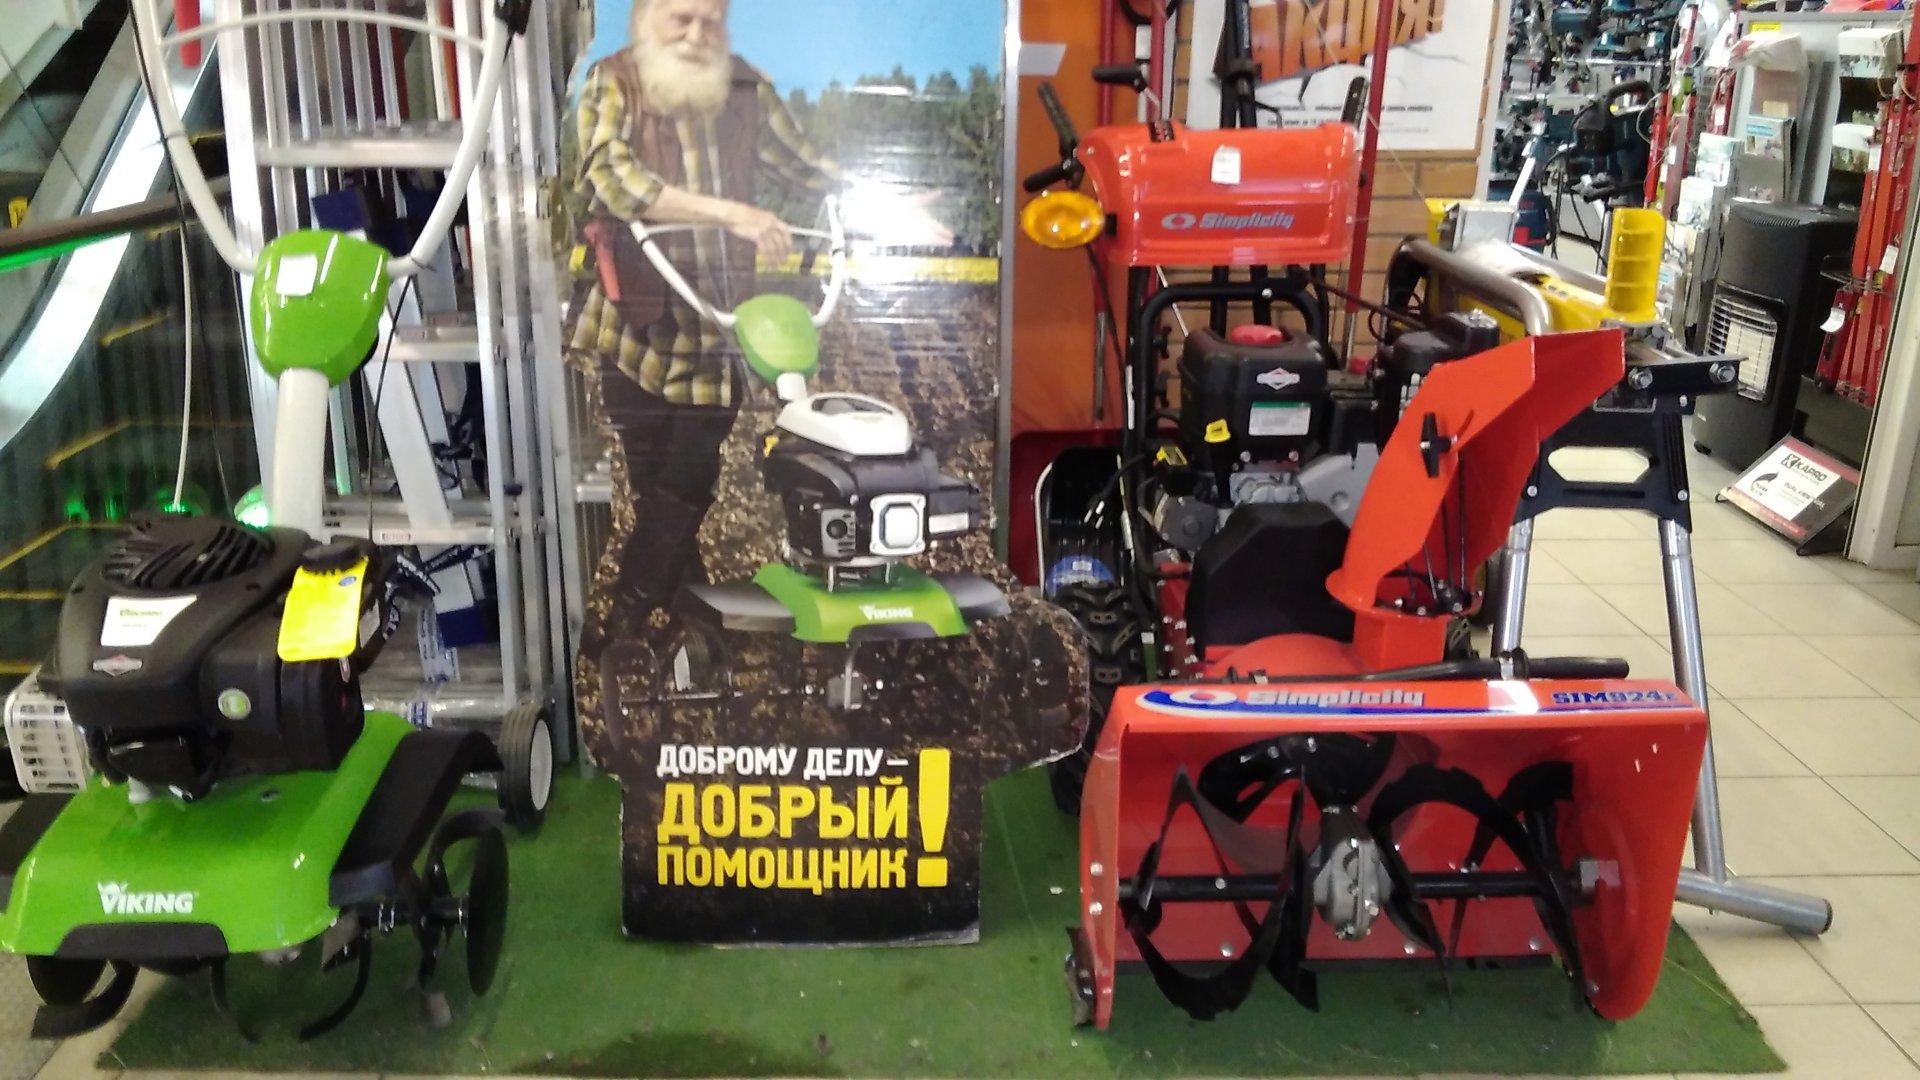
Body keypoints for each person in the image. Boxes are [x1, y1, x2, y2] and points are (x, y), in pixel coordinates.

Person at [566, 0, 833, 672]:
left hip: (716, 327)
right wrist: (732, 214)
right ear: (647, 16)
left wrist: (893, 197)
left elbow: (809, 165)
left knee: (685, 483)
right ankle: (696, 622)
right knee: (655, 487)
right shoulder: (612, 82)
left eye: (710, 19)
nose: (695, 33)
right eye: (680, 17)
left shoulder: (746, 88)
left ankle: (623, 621)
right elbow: (614, 179)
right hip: (634, 325)